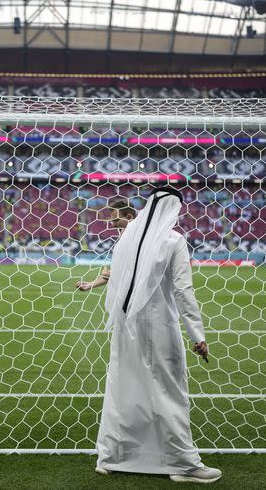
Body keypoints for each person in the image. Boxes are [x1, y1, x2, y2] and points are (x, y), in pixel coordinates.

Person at [94, 186, 221, 483]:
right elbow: (183, 290)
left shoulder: (127, 237)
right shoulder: (173, 240)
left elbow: (116, 281)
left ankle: (111, 456)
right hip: (159, 324)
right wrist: (197, 334)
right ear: (173, 209)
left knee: (123, 387)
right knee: (169, 390)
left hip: (126, 325)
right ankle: (182, 464)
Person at [75, 197, 136, 291]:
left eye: (116, 220)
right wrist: (90, 284)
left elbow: (138, 269)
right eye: (112, 221)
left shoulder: (138, 240)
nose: (113, 224)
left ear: (129, 218)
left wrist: (112, 273)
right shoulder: (124, 238)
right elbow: (124, 268)